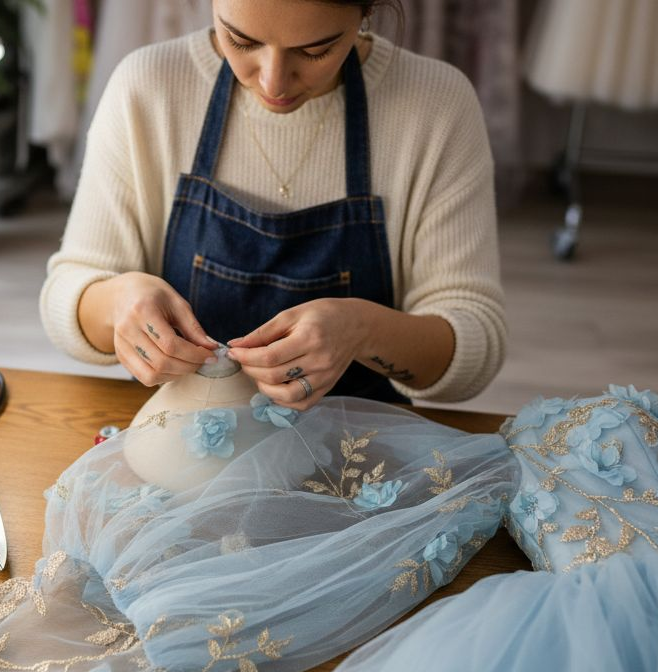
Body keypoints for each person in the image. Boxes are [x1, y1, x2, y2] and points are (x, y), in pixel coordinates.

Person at [40, 0, 504, 408]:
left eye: (315, 49)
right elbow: (68, 291)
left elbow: (473, 342)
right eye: (240, 40)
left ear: (365, 12)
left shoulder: (436, 105)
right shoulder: (148, 87)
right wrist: (119, 302)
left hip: (359, 461)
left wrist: (361, 329)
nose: (273, 81)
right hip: (189, 456)